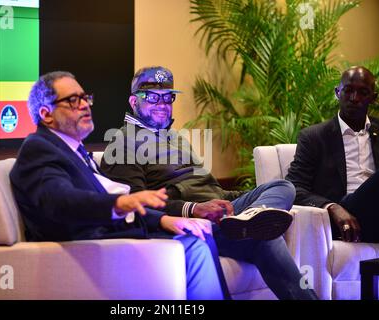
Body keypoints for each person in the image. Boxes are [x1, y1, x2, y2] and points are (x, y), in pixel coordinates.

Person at [100, 66, 318, 300]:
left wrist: (240, 199)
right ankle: (249, 224)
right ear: (134, 101)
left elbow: (209, 187)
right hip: (193, 221)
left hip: (219, 208)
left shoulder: (174, 137)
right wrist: (193, 209)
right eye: (152, 98)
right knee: (265, 237)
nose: (162, 104)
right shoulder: (121, 144)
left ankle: (251, 216)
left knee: (283, 187)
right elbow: (137, 208)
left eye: (168, 98)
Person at [9, 71, 226, 300]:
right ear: (46, 114)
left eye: (85, 98)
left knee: (195, 232)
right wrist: (121, 202)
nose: (85, 105)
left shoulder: (76, 152)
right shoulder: (39, 148)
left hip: (116, 238)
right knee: (194, 246)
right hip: (91, 251)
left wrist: (165, 219)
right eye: (73, 100)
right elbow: (60, 201)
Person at [286, 66, 379, 243]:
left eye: (363, 92)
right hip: (345, 216)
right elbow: (294, 187)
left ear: (373, 98)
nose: (354, 98)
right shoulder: (314, 137)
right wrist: (332, 207)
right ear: (338, 92)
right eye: (348, 91)